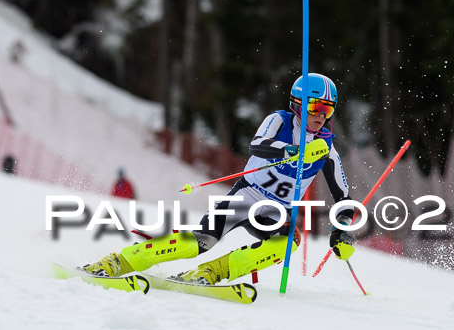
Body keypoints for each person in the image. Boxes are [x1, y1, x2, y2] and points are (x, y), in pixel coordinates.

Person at [83, 73, 356, 285]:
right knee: (201, 242)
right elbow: (257, 145)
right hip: (246, 195)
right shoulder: (280, 122)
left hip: (274, 211)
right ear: (298, 104)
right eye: (316, 107)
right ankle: (121, 261)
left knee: (288, 242)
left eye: (328, 110)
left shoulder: (327, 150)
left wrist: (340, 231)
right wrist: (289, 150)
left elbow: (343, 199)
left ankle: (212, 272)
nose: (321, 116)